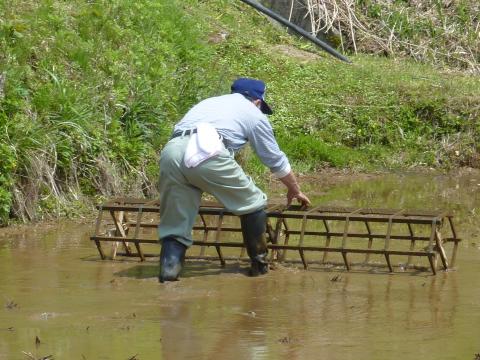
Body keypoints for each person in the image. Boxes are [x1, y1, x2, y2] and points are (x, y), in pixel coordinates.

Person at [158, 77, 311, 282]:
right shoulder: (254, 114)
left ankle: (168, 275)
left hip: (171, 152)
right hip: (205, 149)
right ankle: (260, 268)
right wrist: (294, 188)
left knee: (176, 223)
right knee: (254, 203)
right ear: (258, 101)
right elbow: (274, 158)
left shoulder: (208, 103)